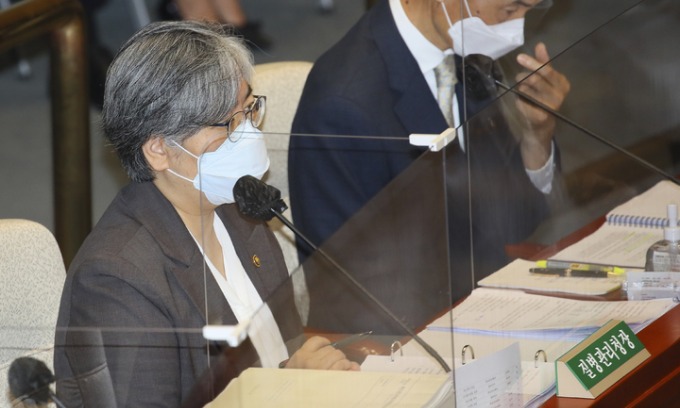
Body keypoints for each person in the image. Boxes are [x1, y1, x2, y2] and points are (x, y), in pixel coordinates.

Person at [54, 21, 358, 407]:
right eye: (228, 123)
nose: (248, 132)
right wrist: (291, 390)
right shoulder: (116, 280)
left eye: (249, 109)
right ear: (159, 150)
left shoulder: (240, 210)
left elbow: (283, 352)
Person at [288, 0, 571, 329]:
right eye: (510, 10)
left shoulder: (466, 48)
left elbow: (511, 223)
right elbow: (352, 290)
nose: (516, 31)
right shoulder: (341, 107)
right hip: (405, 332)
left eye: (528, 11)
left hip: (484, 300)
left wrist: (536, 136)